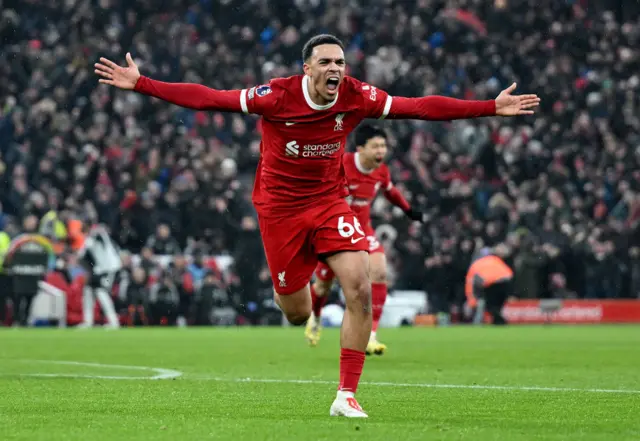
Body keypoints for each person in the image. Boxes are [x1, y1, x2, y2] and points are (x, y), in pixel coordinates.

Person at [94, 34, 540, 417]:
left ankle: (346, 394)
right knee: (297, 311)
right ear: (306, 68)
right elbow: (211, 97)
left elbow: (419, 107)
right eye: (325, 62)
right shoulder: (276, 95)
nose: (335, 69)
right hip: (280, 210)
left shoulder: (357, 96)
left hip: (329, 203)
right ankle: (298, 291)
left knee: (361, 284)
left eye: (340, 62)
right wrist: (144, 84)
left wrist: (487, 108)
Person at [305, 124, 424, 354]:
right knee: (322, 286)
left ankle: (371, 335)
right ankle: (316, 318)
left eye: (383, 146)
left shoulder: (381, 172)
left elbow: (391, 191)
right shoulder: (341, 164)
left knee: (379, 271)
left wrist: (409, 210)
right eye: (376, 146)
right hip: (334, 231)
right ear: (360, 148)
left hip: (362, 231)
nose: (381, 151)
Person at [77, 224, 122, 329]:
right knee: (88, 292)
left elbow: (81, 255)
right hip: (99, 270)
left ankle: (113, 322)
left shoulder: (95, 237)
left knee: (101, 292)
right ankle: (88, 322)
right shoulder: (96, 238)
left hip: (107, 270)